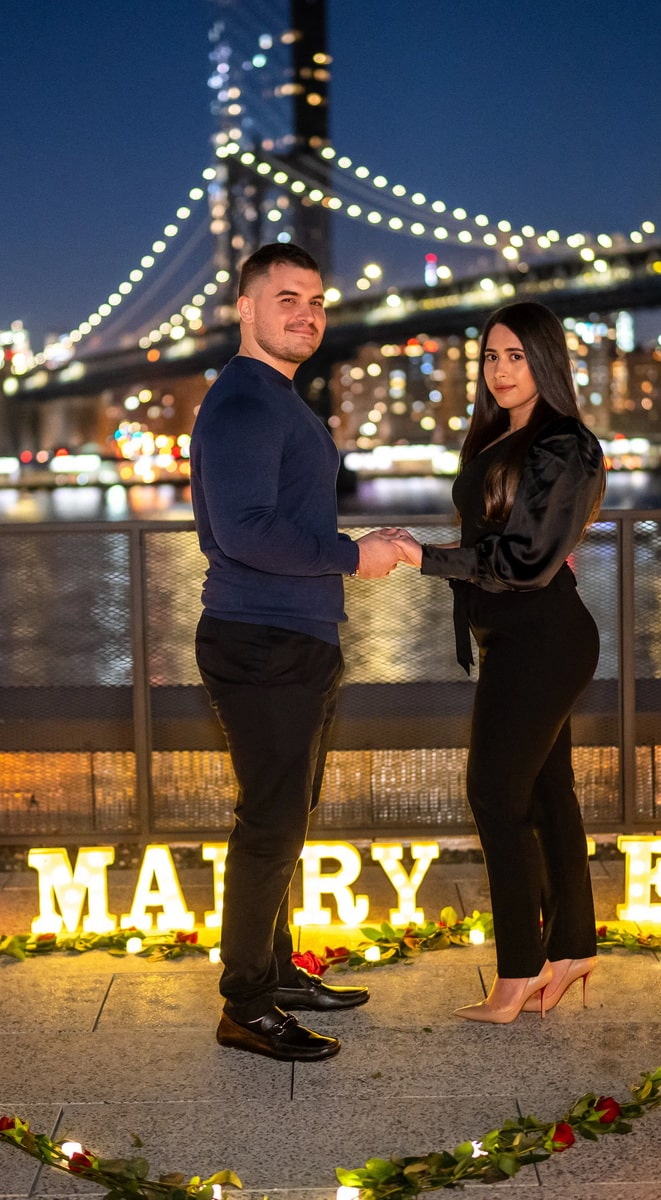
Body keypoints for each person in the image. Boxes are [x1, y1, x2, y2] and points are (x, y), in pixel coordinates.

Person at [190, 242, 410, 1062]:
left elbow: (283, 521)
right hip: (263, 640)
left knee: (286, 815)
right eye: (286, 298)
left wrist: (357, 547)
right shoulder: (246, 402)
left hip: (296, 634)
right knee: (270, 825)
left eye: (316, 301)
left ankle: (275, 973)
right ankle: (245, 1007)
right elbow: (243, 531)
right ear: (245, 310)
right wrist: (357, 557)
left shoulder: (275, 398)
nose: (306, 314)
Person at [388, 301, 606, 1022]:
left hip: (544, 637)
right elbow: (498, 542)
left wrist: (421, 556)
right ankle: (571, 946)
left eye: (516, 355)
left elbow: (524, 559)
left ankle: (517, 974)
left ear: (545, 361)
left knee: (493, 793)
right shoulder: (504, 436)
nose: (500, 370)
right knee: (545, 795)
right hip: (514, 637)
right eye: (490, 356)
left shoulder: (563, 445)